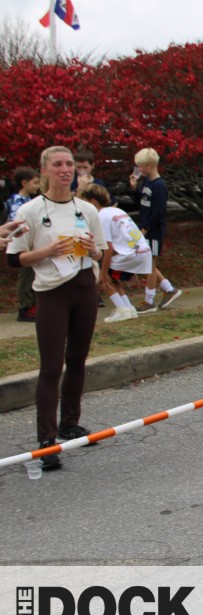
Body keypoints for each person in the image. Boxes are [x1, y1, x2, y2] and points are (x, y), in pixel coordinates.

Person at [6, 146, 108, 470]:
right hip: (52, 292)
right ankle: (46, 441)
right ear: (44, 171)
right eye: (58, 165)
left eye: (69, 165)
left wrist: (93, 251)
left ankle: (70, 423)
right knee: (51, 367)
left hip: (84, 288)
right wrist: (46, 251)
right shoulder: (31, 210)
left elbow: (101, 252)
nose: (65, 170)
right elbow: (14, 259)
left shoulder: (87, 209)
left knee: (77, 359)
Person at [78, 184, 151, 322]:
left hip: (130, 254)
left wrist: (103, 273)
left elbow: (108, 248)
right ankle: (128, 308)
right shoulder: (116, 211)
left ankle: (122, 309)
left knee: (105, 278)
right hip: (142, 251)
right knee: (114, 277)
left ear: (93, 202)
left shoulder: (101, 217)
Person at [129, 148, 182, 313]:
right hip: (145, 227)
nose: (138, 170)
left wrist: (146, 227)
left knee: (149, 265)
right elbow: (141, 202)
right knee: (147, 262)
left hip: (153, 230)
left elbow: (158, 212)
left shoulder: (159, 186)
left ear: (149, 165)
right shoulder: (146, 182)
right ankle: (169, 289)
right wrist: (134, 188)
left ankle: (149, 301)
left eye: (140, 166)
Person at [6, 166, 40, 322]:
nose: (37, 186)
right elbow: (16, 225)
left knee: (33, 273)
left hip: (33, 242)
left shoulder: (32, 201)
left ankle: (32, 304)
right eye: (35, 182)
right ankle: (25, 307)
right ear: (24, 183)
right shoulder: (17, 202)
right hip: (23, 244)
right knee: (26, 275)